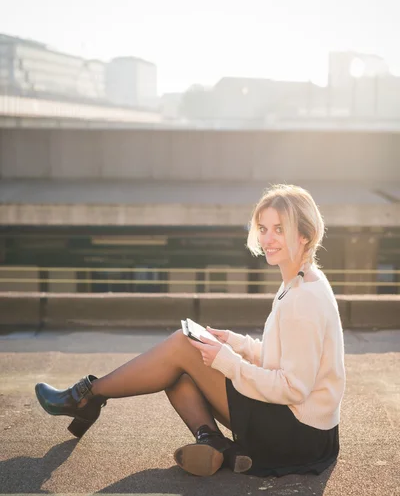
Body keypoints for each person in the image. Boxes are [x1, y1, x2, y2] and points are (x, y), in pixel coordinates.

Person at [35, 183, 346, 477]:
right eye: (263, 229)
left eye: (280, 229)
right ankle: (215, 443)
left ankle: (87, 396)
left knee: (183, 346)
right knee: (178, 370)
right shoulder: (301, 281)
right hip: (308, 430)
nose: (267, 239)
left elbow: (294, 387)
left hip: (297, 435)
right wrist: (237, 344)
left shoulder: (302, 298)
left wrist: (229, 362)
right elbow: (287, 356)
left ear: (305, 235)